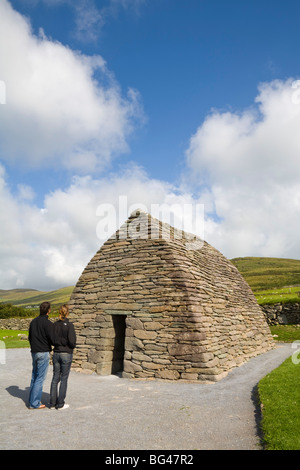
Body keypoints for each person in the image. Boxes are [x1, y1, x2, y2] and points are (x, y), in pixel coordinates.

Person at [50, 304, 76, 410]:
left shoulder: (54, 325)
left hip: (56, 353)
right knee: (64, 379)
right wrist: (69, 345)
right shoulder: (69, 325)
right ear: (67, 312)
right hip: (66, 353)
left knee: (55, 378)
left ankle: (52, 403)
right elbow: (72, 341)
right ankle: (60, 404)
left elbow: (51, 339)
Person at [28, 301, 54, 409]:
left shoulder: (33, 322)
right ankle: (34, 403)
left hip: (34, 352)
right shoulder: (48, 324)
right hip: (43, 352)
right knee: (40, 378)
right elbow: (52, 339)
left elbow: (30, 337)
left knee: (34, 376)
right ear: (49, 310)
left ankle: (31, 401)